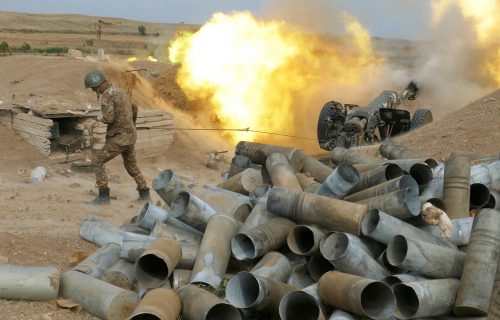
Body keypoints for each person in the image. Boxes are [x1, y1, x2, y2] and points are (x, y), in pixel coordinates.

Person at [84, 70, 150, 204]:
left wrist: (97, 119)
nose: (94, 91)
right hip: (130, 136)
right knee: (131, 165)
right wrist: (132, 124)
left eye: (93, 88)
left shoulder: (107, 96)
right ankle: (144, 194)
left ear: (98, 85)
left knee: (97, 161)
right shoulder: (119, 91)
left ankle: (103, 197)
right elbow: (134, 108)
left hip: (119, 138)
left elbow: (109, 118)